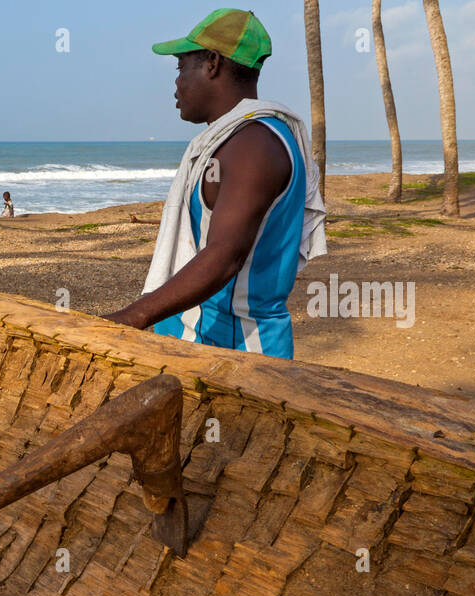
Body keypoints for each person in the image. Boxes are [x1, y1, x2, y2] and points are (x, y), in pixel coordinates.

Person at [102, 9, 326, 359]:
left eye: (180, 67)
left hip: (240, 353)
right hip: (197, 341)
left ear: (212, 63)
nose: (176, 82)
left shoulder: (254, 145)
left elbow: (224, 257)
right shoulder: (235, 139)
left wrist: (130, 318)